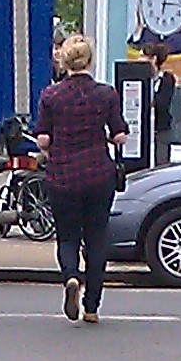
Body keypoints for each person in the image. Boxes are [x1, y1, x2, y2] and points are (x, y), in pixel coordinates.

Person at [33, 33, 126, 324]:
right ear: (89, 60)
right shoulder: (107, 94)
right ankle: (92, 307)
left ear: (65, 62)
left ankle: (71, 276)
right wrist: (112, 135)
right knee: (97, 238)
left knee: (68, 236)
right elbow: (119, 135)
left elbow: (43, 138)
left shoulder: (51, 96)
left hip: (63, 174)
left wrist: (49, 145)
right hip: (99, 173)